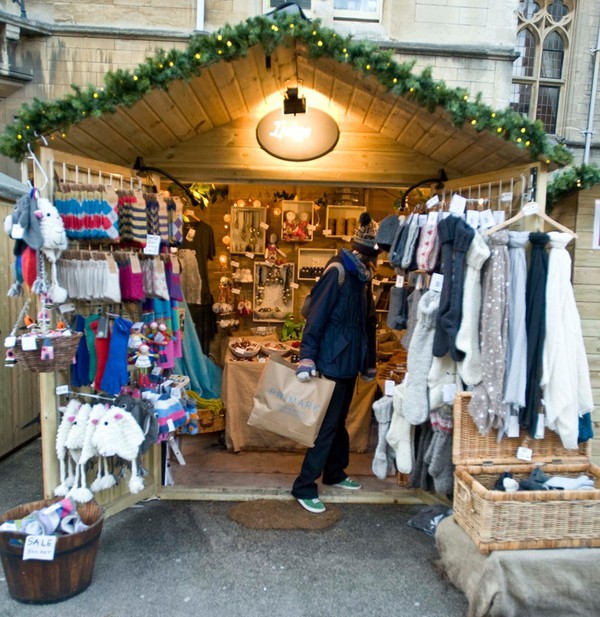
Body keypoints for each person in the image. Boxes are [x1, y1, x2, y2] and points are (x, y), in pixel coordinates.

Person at [292, 212, 380, 514]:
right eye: (369, 255)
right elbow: (315, 317)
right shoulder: (338, 272)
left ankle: (334, 472)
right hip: (331, 360)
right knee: (327, 425)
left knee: (339, 421)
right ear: (359, 250)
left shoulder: (363, 277)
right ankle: (304, 485)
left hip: (349, 360)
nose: (372, 261)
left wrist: (369, 362)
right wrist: (307, 357)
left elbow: (368, 323)